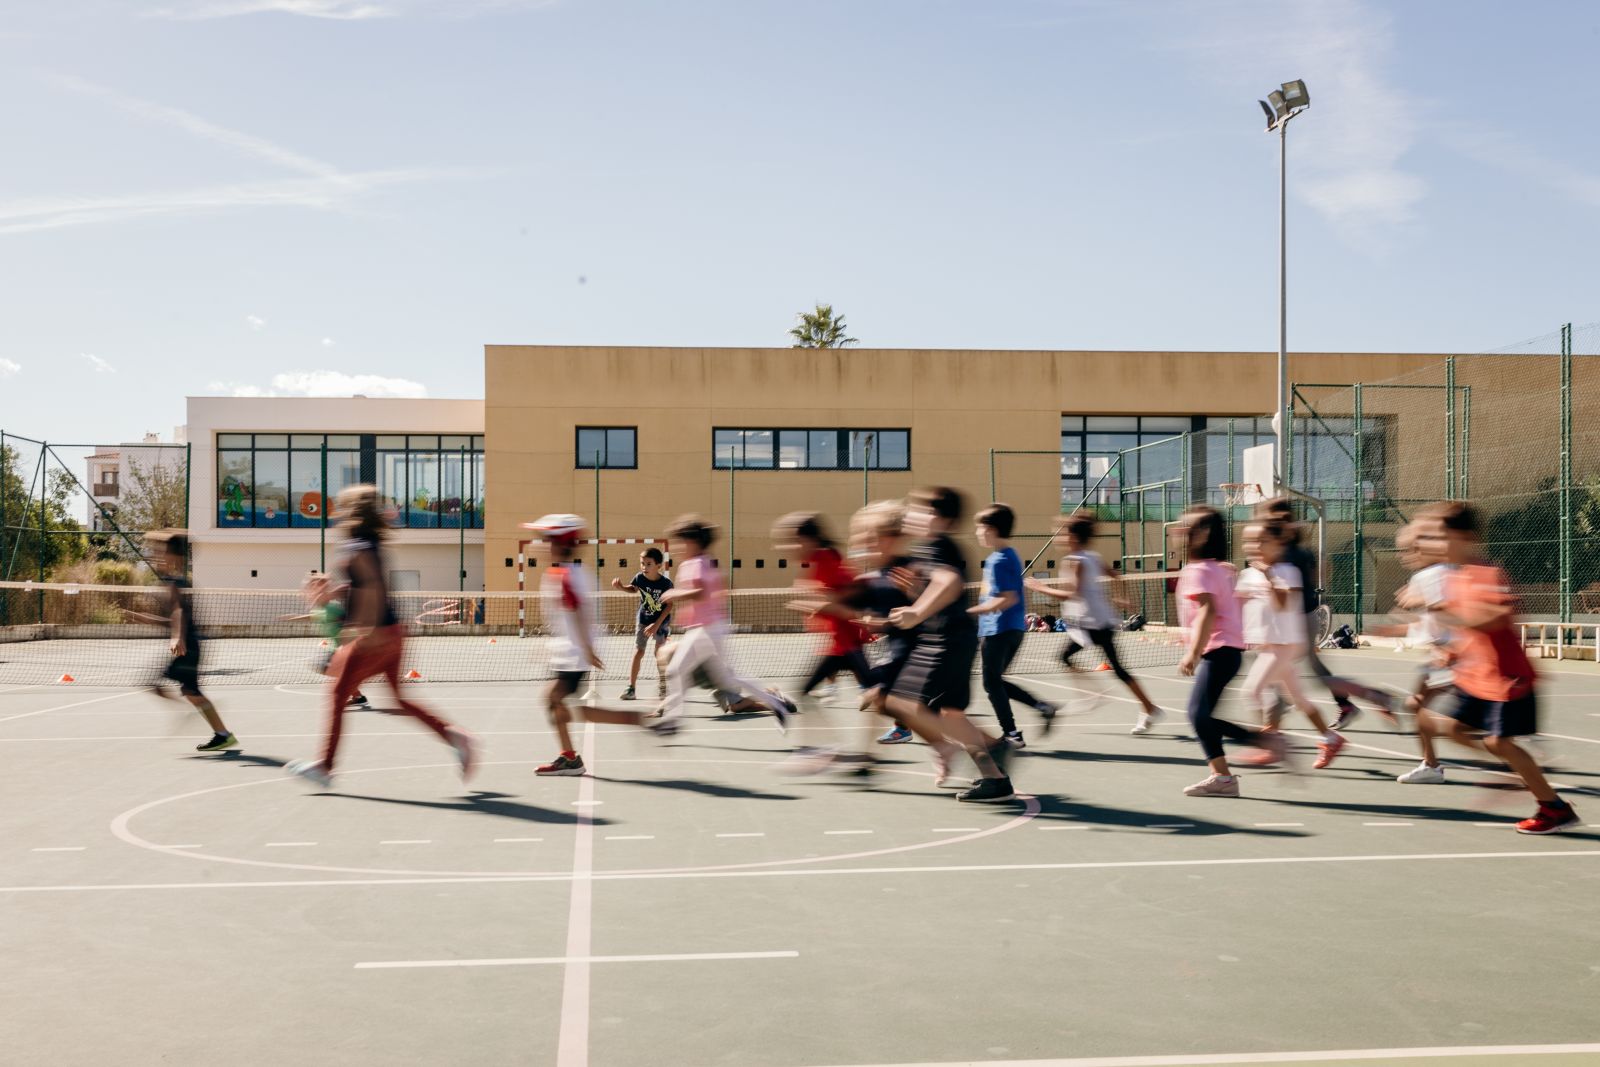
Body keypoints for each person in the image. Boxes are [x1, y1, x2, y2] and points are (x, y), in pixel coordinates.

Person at [285, 486, 476, 788]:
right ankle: (455, 736)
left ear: (352, 511)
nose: (337, 511)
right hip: (395, 631)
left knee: (336, 693)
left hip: (375, 634)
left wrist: (364, 628)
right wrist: (332, 594)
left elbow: (372, 586)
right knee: (398, 698)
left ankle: (325, 766)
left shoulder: (357, 546)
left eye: (342, 506)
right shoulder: (368, 543)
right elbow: (361, 585)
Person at [1411, 502, 1579, 834]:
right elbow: (1466, 629)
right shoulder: (1457, 578)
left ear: (1466, 537)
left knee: (1498, 743)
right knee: (1452, 728)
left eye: (1441, 536)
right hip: (1476, 676)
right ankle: (1516, 773)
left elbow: (1494, 620)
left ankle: (1554, 808)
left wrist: (1437, 607)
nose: (1433, 545)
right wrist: (1450, 652)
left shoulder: (1487, 573)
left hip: (1507, 677)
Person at [887, 487, 1014, 802]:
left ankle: (993, 774)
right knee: (948, 713)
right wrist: (917, 593)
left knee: (905, 705)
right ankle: (994, 759)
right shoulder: (933, 548)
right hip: (949, 638)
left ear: (938, 518)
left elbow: (949, 583)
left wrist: (916, 611)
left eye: (918, 509)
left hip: (948, 641)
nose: (911, 515)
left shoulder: (939, 546)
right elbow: (941, 592)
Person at [529, 515, 664, 776]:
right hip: (570, 654)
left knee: (556, 701)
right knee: (568, 708)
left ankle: (575, 754)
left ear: (560, 544)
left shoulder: (566, 575)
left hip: (575, 655)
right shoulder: (567, 573)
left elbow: (578, 612)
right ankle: (572, 754)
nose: (541, 546)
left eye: (546, 541)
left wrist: (586, 649)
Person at [1172, 506, 1286, 797]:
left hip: (1218, 651)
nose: (1178, 531)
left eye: (1186, 527)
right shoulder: (1218, 569)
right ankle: (1230, 769)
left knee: (1198, 715)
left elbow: (1208, 612)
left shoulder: (1200, 571)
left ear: (1202, 535)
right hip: (1228, 651)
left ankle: (1232, 769)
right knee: (1201, 715)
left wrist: (1193, 652)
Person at [1258, 497, 1394, 728]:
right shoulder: (1298, 551)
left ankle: (1370, 697)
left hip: (1297, 620)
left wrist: (1267, 574)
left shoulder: (1286, 556)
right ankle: (1353, 703)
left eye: (1266, 518)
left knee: (1281, 671)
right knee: (1300, 670)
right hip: (1304, 616)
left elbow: (1290, 593)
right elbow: (1321, 573)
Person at [656, 514, 796, 732]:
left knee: (676, 669)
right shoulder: (706, 561)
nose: (676, 547)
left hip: (706, 629)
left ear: (692, 542)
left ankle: (672, 721)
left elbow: (701, 592)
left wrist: (675, 594)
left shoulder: (695, 563)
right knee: (726, 677)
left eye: (679, 541)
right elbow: (719, 590)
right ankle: (777, 704)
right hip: (711, 627)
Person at [1026, 509, 1161, 734]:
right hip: (1094, 622)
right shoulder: (1092, 557)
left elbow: (1072, 594)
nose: (1058, 538)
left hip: (1092, 624)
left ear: (1073, 537)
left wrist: (1041, 588)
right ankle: (1142, 706)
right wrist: (1121, 595)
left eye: (1061, 534)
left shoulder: (1074, 561)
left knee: (1070, 659)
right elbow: (1116, 576)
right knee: (1113, 668)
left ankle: (1096, 696)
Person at [1235, 520, 1344, 769]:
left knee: (1251, 693)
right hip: (1267, 646)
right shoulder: (1246, 574)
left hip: (1285, 645)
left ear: (1279, 543)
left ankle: (1271, 744)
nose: (1254, 546)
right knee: (1299, 699)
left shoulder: (1288, 571)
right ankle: (1331, 738)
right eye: (1249, 541)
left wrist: (1267, 575)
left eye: (1262, 541)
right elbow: (1237, 607)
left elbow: (1281, 605)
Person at [125, 530, 238, 752]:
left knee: (165, 686)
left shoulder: (175, 583)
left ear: (174, 557)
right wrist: (146, 619)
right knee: (190, 692)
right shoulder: (170, 581)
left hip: (188, 646)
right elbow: (172, 618)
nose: (155, 556)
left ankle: (214, 729)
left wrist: (177, 636)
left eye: (160, 552)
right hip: (189, 645)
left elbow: (178, 611)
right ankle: (222, 734)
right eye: (154, 552)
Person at [1369, 523, 1453, 783]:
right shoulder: (1435, 573)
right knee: (1418, 705)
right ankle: (1431, 764)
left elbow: (1447, 611)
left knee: (1431, 710)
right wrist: (1391, 630)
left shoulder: (1432, 575)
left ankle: (1432, 764)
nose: (1404, 555)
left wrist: (1421, 601)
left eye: (1409, 549)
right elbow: (1429, 623)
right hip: (1445, 654)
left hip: (1456, 654)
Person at [971, 503, 1057, 747]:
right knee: (996, 681)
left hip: (998, 629)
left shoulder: (999, 560)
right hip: (1010, 629)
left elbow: (1008, 598)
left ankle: (1012, 734)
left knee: (991, 683)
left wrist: (970, 612)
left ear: (991, 529)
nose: (977, 533)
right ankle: (1042, 707)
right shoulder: (1006, 556)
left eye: (979, 528)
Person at [774, 512, 873, 705]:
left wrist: (806, 604)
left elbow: (837, 602)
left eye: (792, 541)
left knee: (881, 693)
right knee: (876, 690)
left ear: (808, 540)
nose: (785, 547)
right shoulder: (822, 559)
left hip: (846, 642)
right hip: (841, 643)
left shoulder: (824, 559)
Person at [281, 572, 368, 708]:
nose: (314, 596)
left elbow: (349, 623)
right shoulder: (320, 609)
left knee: (328, 668)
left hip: (347, 647)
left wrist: (325, 581)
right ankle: (358, 696)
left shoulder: (332, 608)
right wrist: (293, 618)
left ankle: (351, 691)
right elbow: (311, 617)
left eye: (318, 592)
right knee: (328, 669)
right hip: (339, 646)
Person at [611, 547, 674, 701]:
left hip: (661, 621)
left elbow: (669, 605)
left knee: (660, 654)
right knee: (638, 652)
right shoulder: (640, 578)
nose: (644, 567)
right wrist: (621, 587)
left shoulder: (666, 584)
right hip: (643, 620)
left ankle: (663, 686)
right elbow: (633, 589)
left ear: (658, 565)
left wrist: (656, 625)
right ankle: (631, 688)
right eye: (642, 563)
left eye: (648, 564)